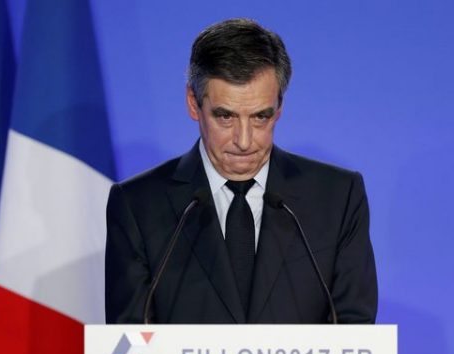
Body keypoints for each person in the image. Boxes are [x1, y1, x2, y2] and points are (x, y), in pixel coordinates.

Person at [105, 18, 377, 324]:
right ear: (193, 104)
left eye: (261, 117)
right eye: (225, 117)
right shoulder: (137, 206)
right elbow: (127, 343)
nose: (244, 141)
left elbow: (355, 337)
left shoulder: (337, 198)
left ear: (280, 107)